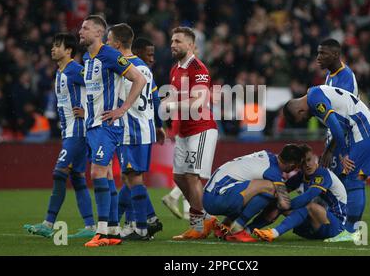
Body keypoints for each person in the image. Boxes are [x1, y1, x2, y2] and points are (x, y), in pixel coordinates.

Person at [283, 85, 370, 241]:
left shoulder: (315, 99)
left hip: (363, 131)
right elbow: (339, 125)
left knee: (353, 180)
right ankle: (349, 230)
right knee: (351, 180)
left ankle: (349, 232)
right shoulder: (314, 94)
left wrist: (343, 154)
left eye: (302, 118)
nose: (307, 119)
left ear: (300, 111)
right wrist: (330, 150)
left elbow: (336, 126)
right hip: (366, 130)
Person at [79, 15, 146, 247]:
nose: (80, 31)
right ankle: (113, 231)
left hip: (108, 126)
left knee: (97, 173)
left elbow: (138, 79)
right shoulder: (87, 57)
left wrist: (123, 108)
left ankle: (101, 232)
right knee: (105, 175)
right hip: (93, 125)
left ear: (99, 33)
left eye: (85, 28)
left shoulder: (110, 55)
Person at [23, 33, 96, 239]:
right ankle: (90, 226)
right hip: (69, 132)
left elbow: (98, 88)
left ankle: (48, 223)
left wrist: (89, 113)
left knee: (59, 172)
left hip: (78, 131)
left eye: (57, 46)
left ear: (68, 51)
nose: (53, 49)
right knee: (77, 177)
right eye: (53, 45)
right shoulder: (60, 72)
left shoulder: (74, 70)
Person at [106, 25, 164, 240]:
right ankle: (132, 222)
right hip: (146, 128)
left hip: (131, 130)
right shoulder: (144, 68)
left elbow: (119, 100)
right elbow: (155, 99)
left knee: (133, 177)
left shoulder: (124, 68)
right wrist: (158, 125)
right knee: (130, 177)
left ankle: (142, 226)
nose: (106, 44)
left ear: (118, 44)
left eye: (109, 40)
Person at [162, 27, 218, 240]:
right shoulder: (175, 69)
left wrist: (171, 102)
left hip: (201, 129)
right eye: (172, 41)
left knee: (192, 176)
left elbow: (200, 102)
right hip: (185, 132)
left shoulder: (198, 68)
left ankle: (198, 225)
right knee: (178, 176)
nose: (173, 44)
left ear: (190, 45)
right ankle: (206, 218)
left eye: (177, 41)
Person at [203, 145, 304, 242]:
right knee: (271, 188)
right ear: (292, 164)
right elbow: (284, 204)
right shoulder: (272, 171)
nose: (296, 169)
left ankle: (224, 226)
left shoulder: (267, 156)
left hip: (211, 195)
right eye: (297, 167)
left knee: (256, 190)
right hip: (217, 199)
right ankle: (237, 229)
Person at [254, 144, 347, 242]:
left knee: (309, 206)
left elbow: (308, 197)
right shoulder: (301, 176)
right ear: (297, 165)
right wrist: (270, 201)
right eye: (303, 162)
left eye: (309, 160)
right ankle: (249, 229)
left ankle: (273, 233)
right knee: (277, 202)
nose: (307, 165)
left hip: (336, 227)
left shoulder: (323, 174)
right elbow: (280, 191)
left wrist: (280, 207)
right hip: (314, 227)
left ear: (314, 158)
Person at [316, 39, 359, 176]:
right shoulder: (330, 75)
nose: (318, 57)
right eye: (318, 53)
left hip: (345, 142)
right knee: (331, 187)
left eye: (323, 53)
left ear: (335, 54)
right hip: (335, 138)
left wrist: (330, 149)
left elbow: (343, 119)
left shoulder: (345, 77)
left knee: (343, 187)